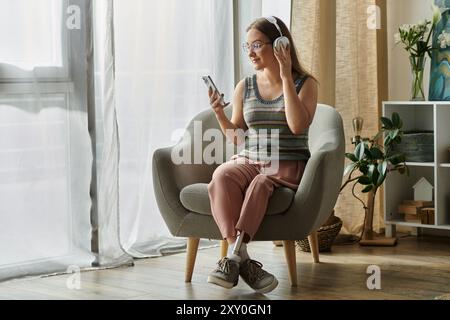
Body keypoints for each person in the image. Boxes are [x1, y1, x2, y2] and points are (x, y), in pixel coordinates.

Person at [206, 16, 318, 294]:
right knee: (221, 175)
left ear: (281, 45)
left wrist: (284, 77)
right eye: (247, 47)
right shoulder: (245, 86)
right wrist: (219, 113)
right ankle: (240, 259)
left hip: (287, 163)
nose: (251, 53)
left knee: (261, 183)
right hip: (250, 158)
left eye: (257, 45)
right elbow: (236, 137)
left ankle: (233, 257)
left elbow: (297, 125)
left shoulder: (306, 84)